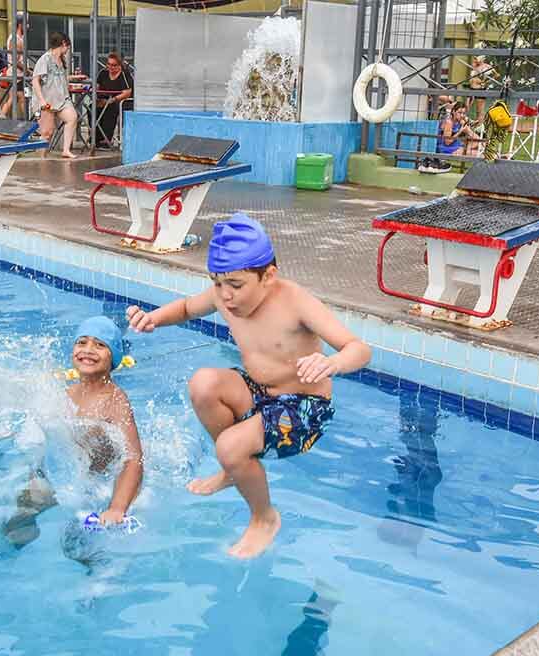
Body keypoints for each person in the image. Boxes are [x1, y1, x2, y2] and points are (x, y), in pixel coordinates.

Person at [125, 214, 370, 558]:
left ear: (268, 276)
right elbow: (185, 309)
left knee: (229, 446)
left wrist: (332, 363)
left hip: (304, 408)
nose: (224, 296)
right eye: (217, 282)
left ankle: (264, 517)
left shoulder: (294, 302)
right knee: (203, 384)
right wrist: (154, 319)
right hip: (259, 391)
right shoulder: (224, 294)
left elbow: (360, 349)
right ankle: (234, 469)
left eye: (236, 285)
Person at [4, 316, 144, 548]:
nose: (88, 350)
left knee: (76, 544)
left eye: (100, 345)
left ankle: (98, 577)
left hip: (95, 484)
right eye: (82, 342)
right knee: (16, 521)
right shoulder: (67, 394)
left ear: (114, 357)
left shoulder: (115, 401)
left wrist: (117, 507)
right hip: (63, 476)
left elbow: (133, 458)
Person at [31, 32, 78, 159]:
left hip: (62, 98)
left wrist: (74, 78)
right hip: (47, 100)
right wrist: (41, 100)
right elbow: (35, 80)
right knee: (47, 132)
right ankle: (41, 157)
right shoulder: (45, 59)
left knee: (72, 117)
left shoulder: (61, 60)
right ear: (63, 44)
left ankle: (66, 150)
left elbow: (59, 77)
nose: (68, 49)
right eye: (67, 46)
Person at [94, 51, 134, 149]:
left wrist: (113, 100)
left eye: (114, 65)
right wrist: (97, 97)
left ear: (120, 65)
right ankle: (96, 138)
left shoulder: (125, 75)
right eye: (109, 64)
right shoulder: (103, 73)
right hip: (104, 98)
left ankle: (106, 139)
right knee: (92, 108)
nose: (111, 67)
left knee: (110, 108)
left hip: (120, 101)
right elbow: (97, 87)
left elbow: (127, 92)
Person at [0, 13, 26, 118]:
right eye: (25, 24)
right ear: (20, 25)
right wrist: (26, 70)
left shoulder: (19, 38)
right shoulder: (15, 39)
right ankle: (28, 122)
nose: (27, 27)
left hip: (18, 74)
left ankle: (1, 117)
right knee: (19, 98)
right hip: (17, 74)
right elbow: (15, 60)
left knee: (16, 98)